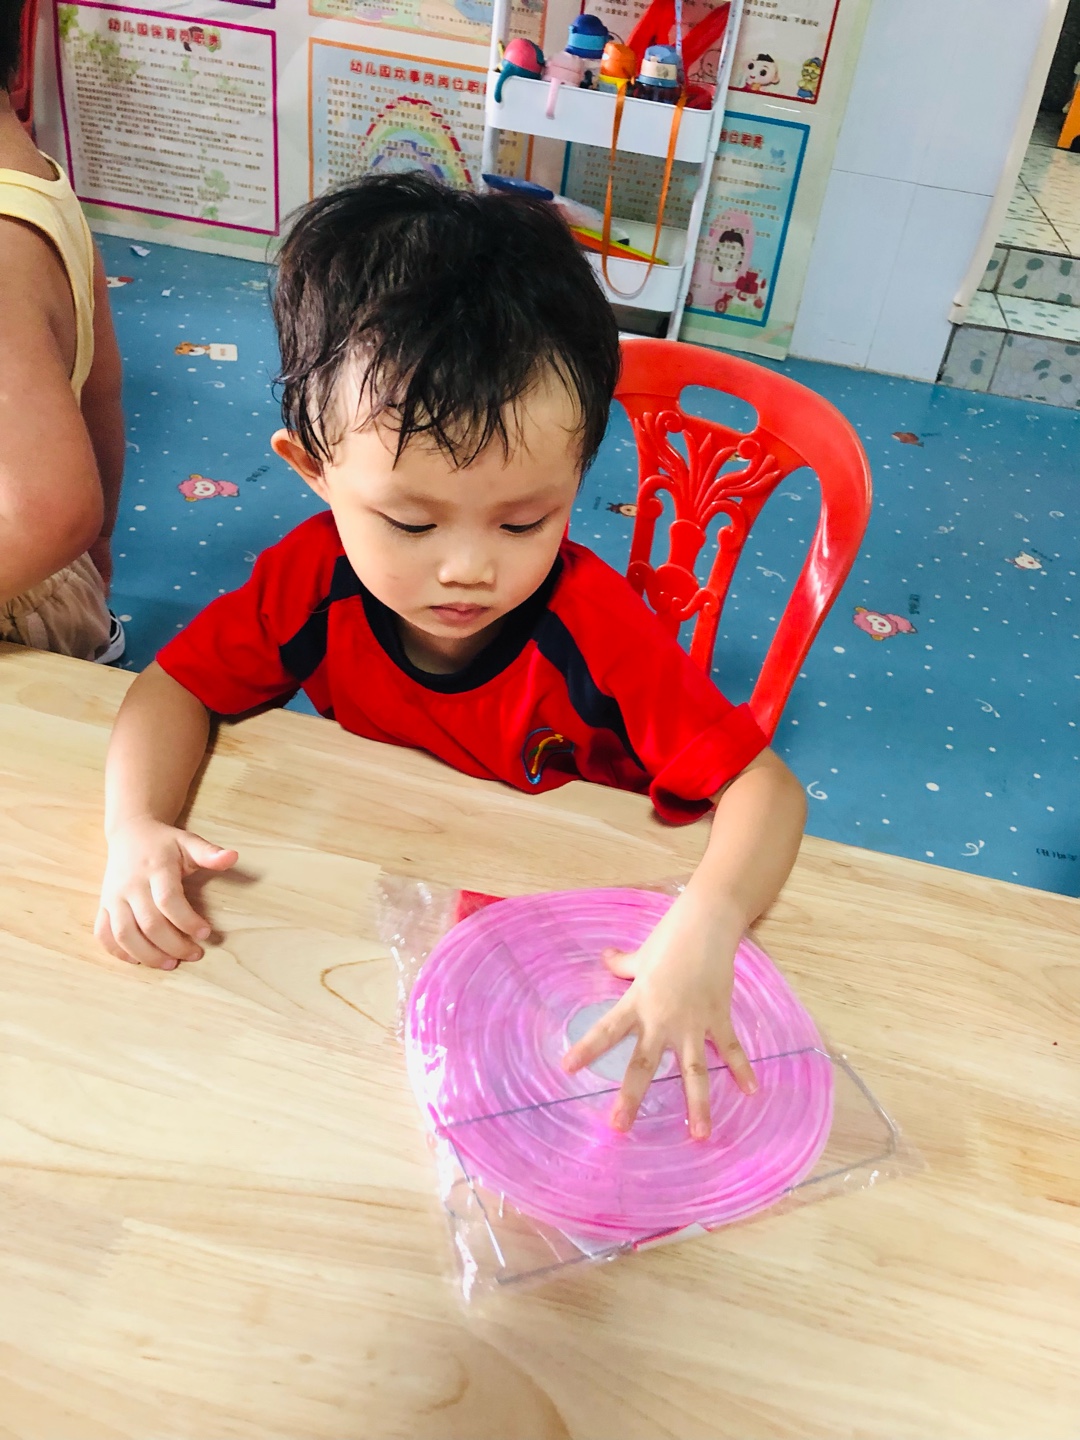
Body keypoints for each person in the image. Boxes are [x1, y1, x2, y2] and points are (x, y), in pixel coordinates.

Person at [96, 173, 806, 1138]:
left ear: (577, 474)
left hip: (573, 912)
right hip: (393, 885)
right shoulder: (312, 579)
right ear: (312, 470)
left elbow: (766, 790)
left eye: (524, 520)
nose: (468, 569)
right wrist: (136, 827)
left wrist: (707, 925)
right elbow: (172, 689)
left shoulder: (593, 626)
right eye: (410, 521)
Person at [0, 0, 124, 660]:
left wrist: (84, 534)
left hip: (17, 609)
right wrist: (99, 544)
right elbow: (99, 392)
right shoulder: (36, 183)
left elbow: (53, 514)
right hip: (53, 579)